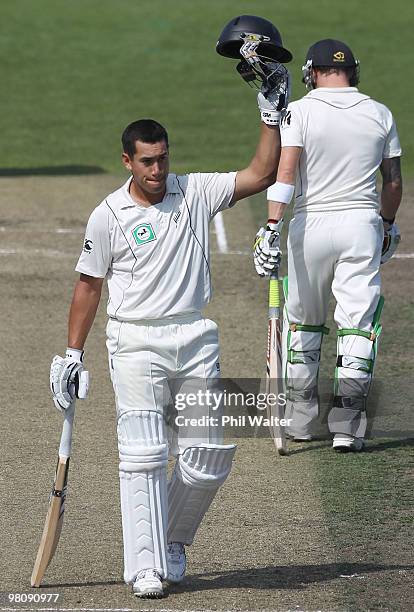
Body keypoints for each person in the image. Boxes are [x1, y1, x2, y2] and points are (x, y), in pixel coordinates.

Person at [49, 36, 291, 596]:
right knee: (143, 454)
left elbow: (259, 173)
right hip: (134, 341)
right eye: (148, 162)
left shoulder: (194, 192)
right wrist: (70, 354)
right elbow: (88, 287)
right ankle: (146, 566)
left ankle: (171, 538)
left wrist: (270, 114)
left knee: (210, 452)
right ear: (127, 161)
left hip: (195, 335)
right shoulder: (107, 215)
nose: (159, 170)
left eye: (164, 158)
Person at [254, 39, 402, 452]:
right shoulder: (379, 113)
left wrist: (270, 226)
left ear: (312, 72)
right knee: (357, 323)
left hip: (309, 227)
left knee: (304, 322)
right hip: (361, 225)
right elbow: (392, 182)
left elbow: (285, 175)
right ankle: (346, 426)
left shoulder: (299, 111)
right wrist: (387, 225)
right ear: (353, 71)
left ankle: (300, 421)